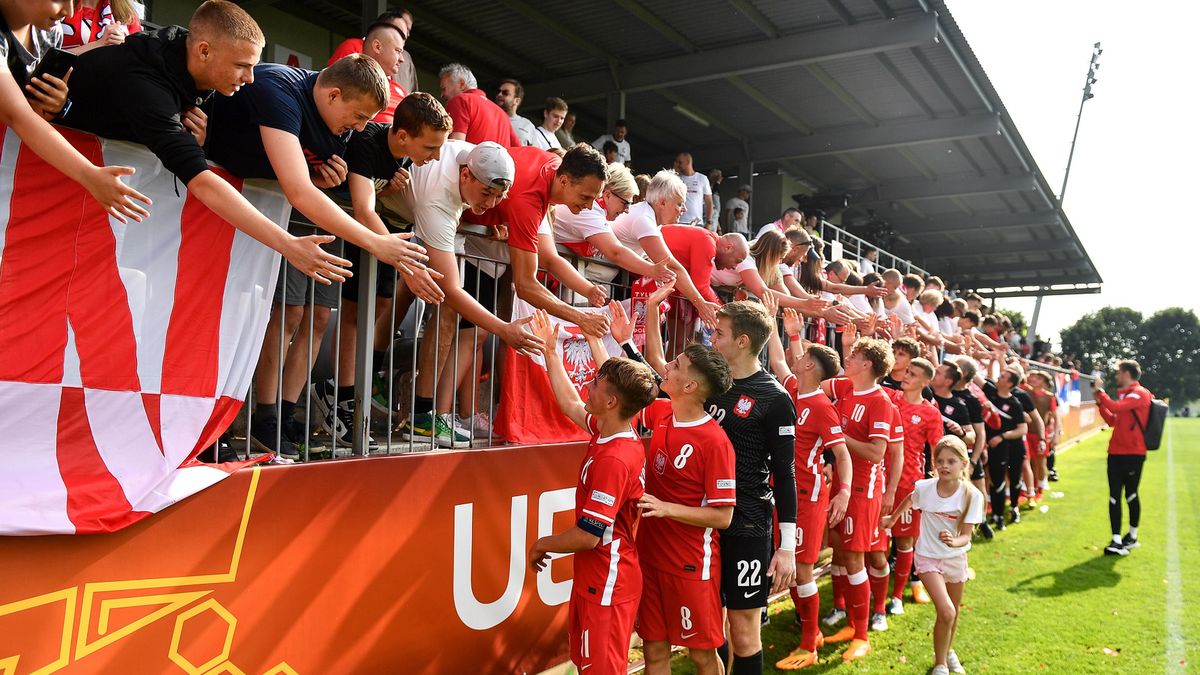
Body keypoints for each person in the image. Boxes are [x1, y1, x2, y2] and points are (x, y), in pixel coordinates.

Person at [62, 0, 351, 285]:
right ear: (204, 51)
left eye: (253, 66)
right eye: (241, 66)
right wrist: (287, 243)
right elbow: (200, 181)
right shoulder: (146, 82)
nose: (250, 79)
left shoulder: (191, 71)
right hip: (57, 186)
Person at [315, 92, 456, 445]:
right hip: (348, 232)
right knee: (352, 313)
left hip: (379, 237)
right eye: (431, 147)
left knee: (376, 308)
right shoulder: (366, 142)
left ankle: (343, 388)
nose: (437, 156)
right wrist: (404, 259)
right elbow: (363, 209)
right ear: (404, 136)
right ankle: (341, 396)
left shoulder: (406, 158)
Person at [527, 310, 658, 675]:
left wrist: (543, 544)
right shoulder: (607, 429)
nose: (587, 385)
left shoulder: (615, 458)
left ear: (613, 402)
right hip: (596, 579)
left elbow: (588, 535)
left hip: (608, 583)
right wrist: (551, 353)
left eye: (596, 384)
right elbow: (570, 404)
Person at [693, 297, 797, 674]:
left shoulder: (774, 397)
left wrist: (786, 547)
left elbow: (785, 475)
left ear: (741, 342)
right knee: (711, 627)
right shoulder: (711, 385)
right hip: (706, 522)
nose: (711, 337)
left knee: (743, 631)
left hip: (747, 524)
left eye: (718, 333)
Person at [635, 326, 737, 675]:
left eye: (676, 365)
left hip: (691, 566)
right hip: (649, 556)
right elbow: (618, 397)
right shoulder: (663, 411)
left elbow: (723, 517)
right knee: (654, 653)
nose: (667, 367)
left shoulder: (715, 441)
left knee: (702, 656)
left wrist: (666, 509)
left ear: (691, 386)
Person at [0, 0, 151, 224]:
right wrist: (89, 174)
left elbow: (31, 113)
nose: (69, 11)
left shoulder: (50, 33)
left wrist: (56, 105)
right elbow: (17, 115)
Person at [763, 308, 852, 671]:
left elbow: (842, 455)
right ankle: (810, 630)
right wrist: (777, 326)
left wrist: (843, 492)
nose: (796, 358)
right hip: (780, 491)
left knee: (802, 570)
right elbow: (779, 356)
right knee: (790, 570)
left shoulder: (822, 407)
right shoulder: (791, 389)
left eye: (804, 356)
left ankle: (809, 643)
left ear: (812, 368)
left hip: (807, 498)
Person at [819, 328, 894, 662]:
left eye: (852, 356)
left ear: (866, 365)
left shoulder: (881, 402)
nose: (846, 360)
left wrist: (836, 435)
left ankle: (862, 633)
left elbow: (878, 453)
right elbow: (816, 385)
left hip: (863, 492)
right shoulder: (847, 386)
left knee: (853, 558)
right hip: (840, 483)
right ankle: (851, 620)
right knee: (839, 552)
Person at [881, 436, 984, 675]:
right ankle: (940, 665)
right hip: (927, 558)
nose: (945, 466)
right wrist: (892, 519)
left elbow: (966, 536)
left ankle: (948, 652)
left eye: (951, 461)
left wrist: (953, 540)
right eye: (940, 461)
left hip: (956, 558)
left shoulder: (972, 496)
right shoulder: (925, 488)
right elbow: (910, 499)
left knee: (953, 611)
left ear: (963, 464)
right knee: (946, 610)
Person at [886, 357, 943, 616]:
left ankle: (897, 596)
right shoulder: (889, 398)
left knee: (904, 542)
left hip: (908, 484)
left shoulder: (930, 413)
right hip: (877, 479)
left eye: (913, 373)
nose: (906, 376)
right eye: (906, 371)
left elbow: (937, 451)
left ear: (926, 381)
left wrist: (935, 486)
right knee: (874, 543)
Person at [1093, 359, 1153, 556]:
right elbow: (1112, 419)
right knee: (1113, 496)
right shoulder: (1127, 395)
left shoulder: (1140, 393)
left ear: (1127, 373)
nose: (1116, 376)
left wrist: (1101, 393)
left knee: (1131, 494)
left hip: (1133, 453)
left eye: (1119, 372)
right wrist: (1099, 402)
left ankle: (1132, 536)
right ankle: (1117, 539)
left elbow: (1117, 408)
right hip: (1116, 452)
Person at [325, 20, 407, 124]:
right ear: (377, 47)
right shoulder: (351, 77)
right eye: (398, 51)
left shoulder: (401, 91)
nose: (402, 59)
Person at [981, 370, 1029, 530]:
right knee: (997, 480)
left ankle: (1014, 507)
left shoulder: (1015, 403)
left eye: (1002, 377)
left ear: (1009, 384)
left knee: (1015, 478)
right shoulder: (990, 392)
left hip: (1013, 447)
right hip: (996, 448)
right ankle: (997, 514)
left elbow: (1022, 429)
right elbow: (974, 376)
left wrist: (1002, 436)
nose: (998, 377)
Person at [439, 62, 519, 146]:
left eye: (444, 89)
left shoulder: (460, 100)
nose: (442, 94)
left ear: (462, 84)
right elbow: (518, 150)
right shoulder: (503, 115)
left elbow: (455, 147)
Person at [61, 0, 141, 53]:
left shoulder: (127, 14)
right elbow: (50, 57)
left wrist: (123, 46)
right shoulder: (58, 6)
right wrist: (100, 43)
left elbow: (137, 59)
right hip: (64, 76)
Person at [674, 152, 711, 226]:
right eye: (677, 162)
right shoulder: (676, 179)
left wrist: (709, 222)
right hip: (680, 221)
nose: (678, 165)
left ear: (688, 162)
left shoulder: (702, 178)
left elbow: (709, 202)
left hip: (697, 222)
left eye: (680, 162)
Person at [495, 77, 535, 145]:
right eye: (498, 92)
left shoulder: (527, 125)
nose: (499, 95)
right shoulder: (488, 118)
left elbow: (534, 152)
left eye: (505, 93)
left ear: (517, 101)